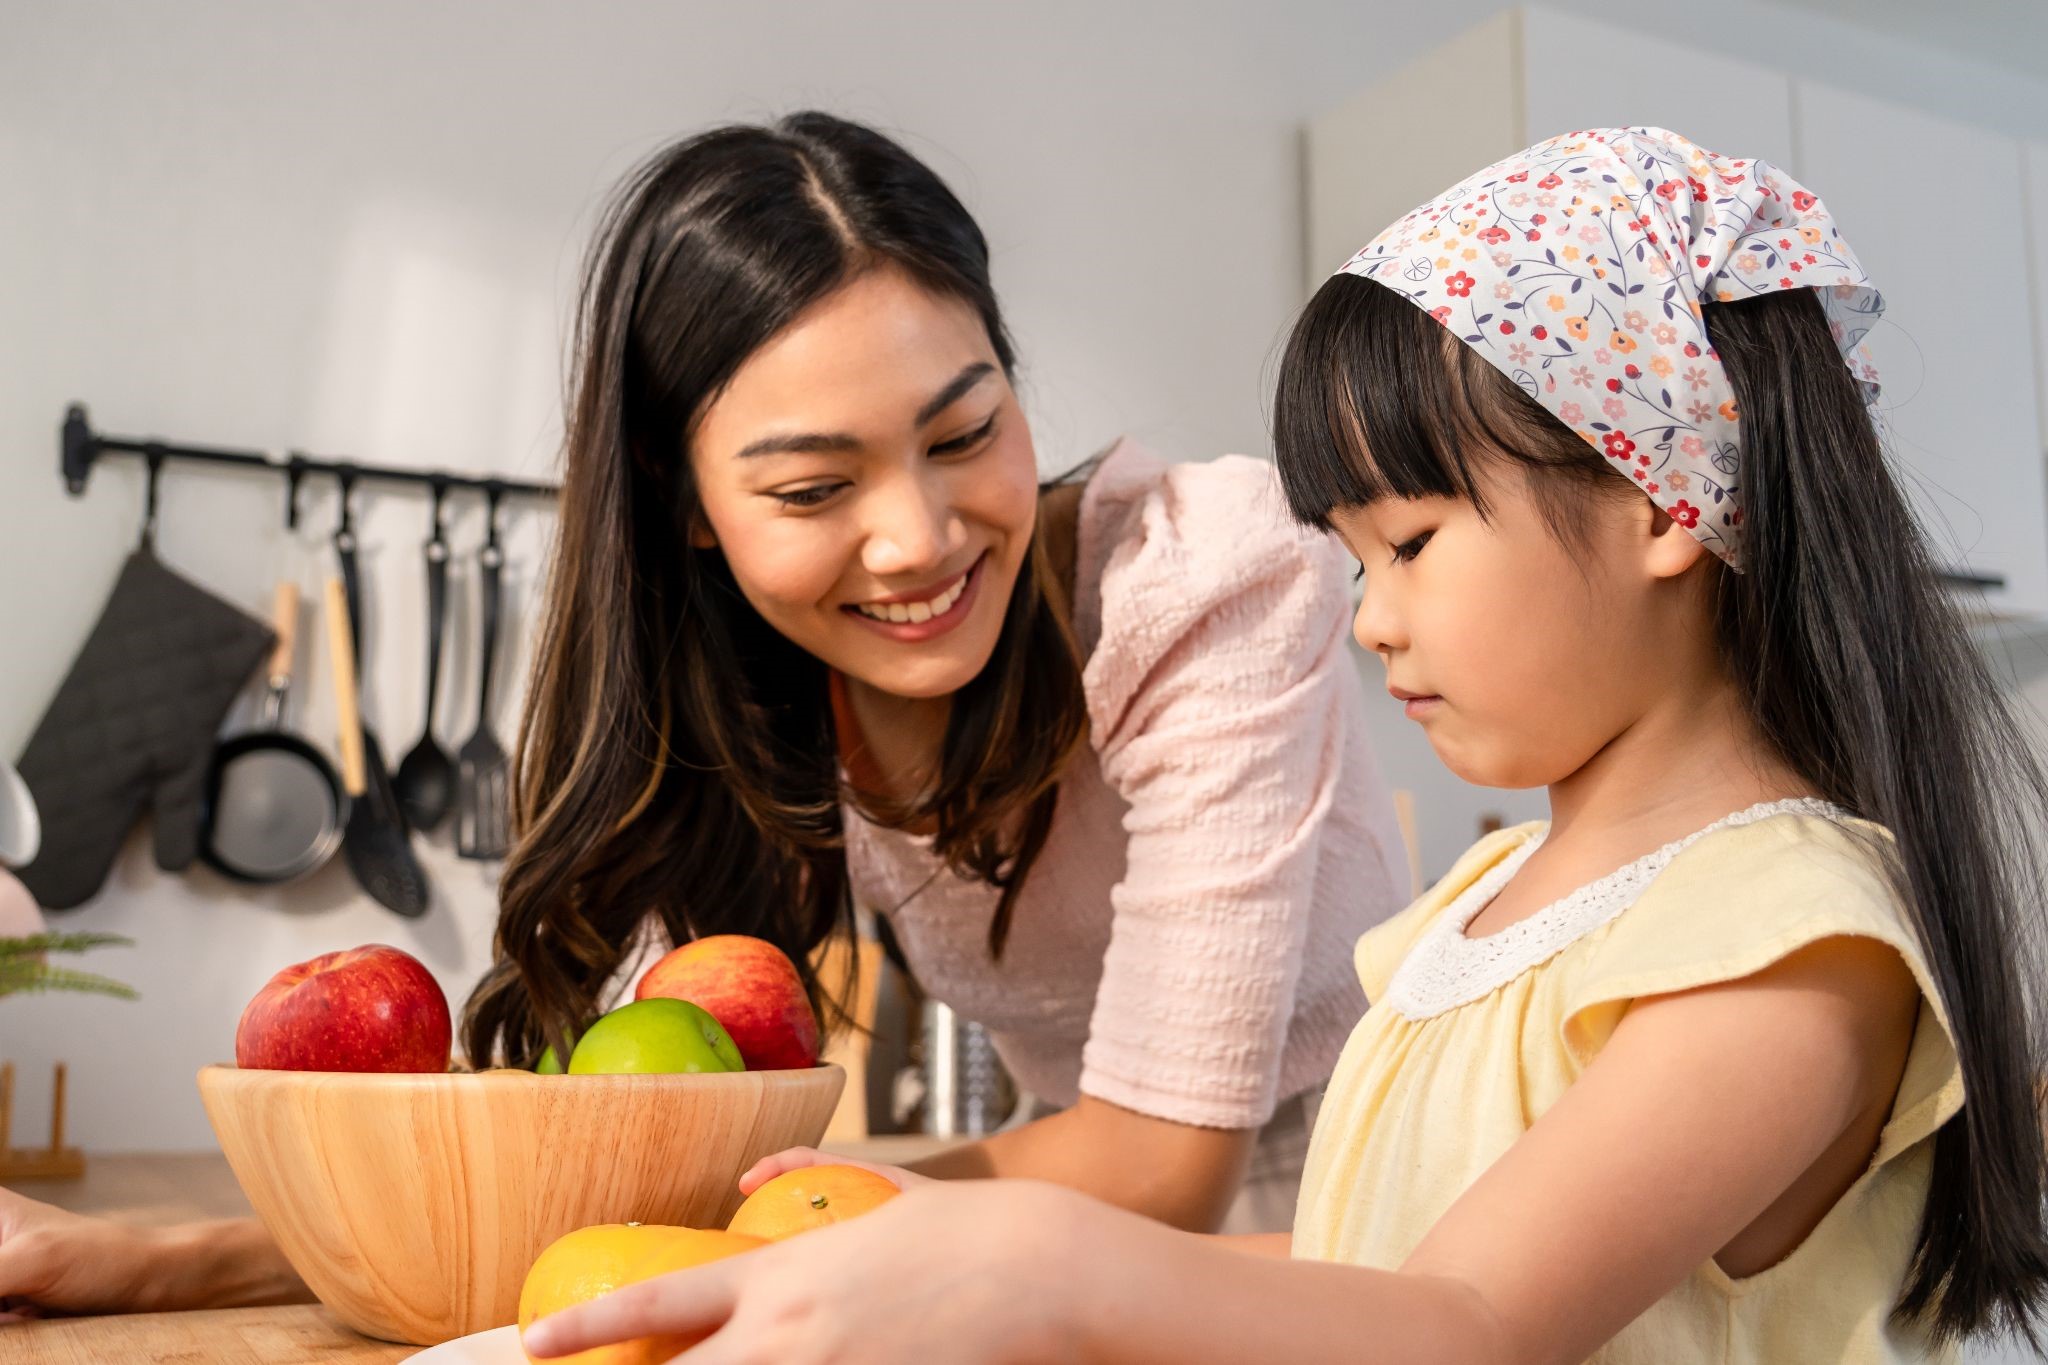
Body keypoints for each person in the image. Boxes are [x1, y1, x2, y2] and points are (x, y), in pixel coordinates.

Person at [523, 128, 2048, 1364]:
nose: (1366, 622)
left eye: (1409, 542)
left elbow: (1462, 1326)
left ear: (1658, 495)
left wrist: (1031, 1261)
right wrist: (942, 1263)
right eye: (1355, 556)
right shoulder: (1482, 907)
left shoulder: (1785, 941)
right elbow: (1357, 1266)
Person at [0, 111, 1404, 1320]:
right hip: (1051, 1246)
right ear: (686, 511)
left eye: (966, 432)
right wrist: (176, 1258)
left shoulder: (1197, 578)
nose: (917, 539)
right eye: (811, 489)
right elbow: (600, 1157)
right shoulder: (749, 694)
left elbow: (1164, 1163)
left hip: (1361, 1224)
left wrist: (750, 1212)